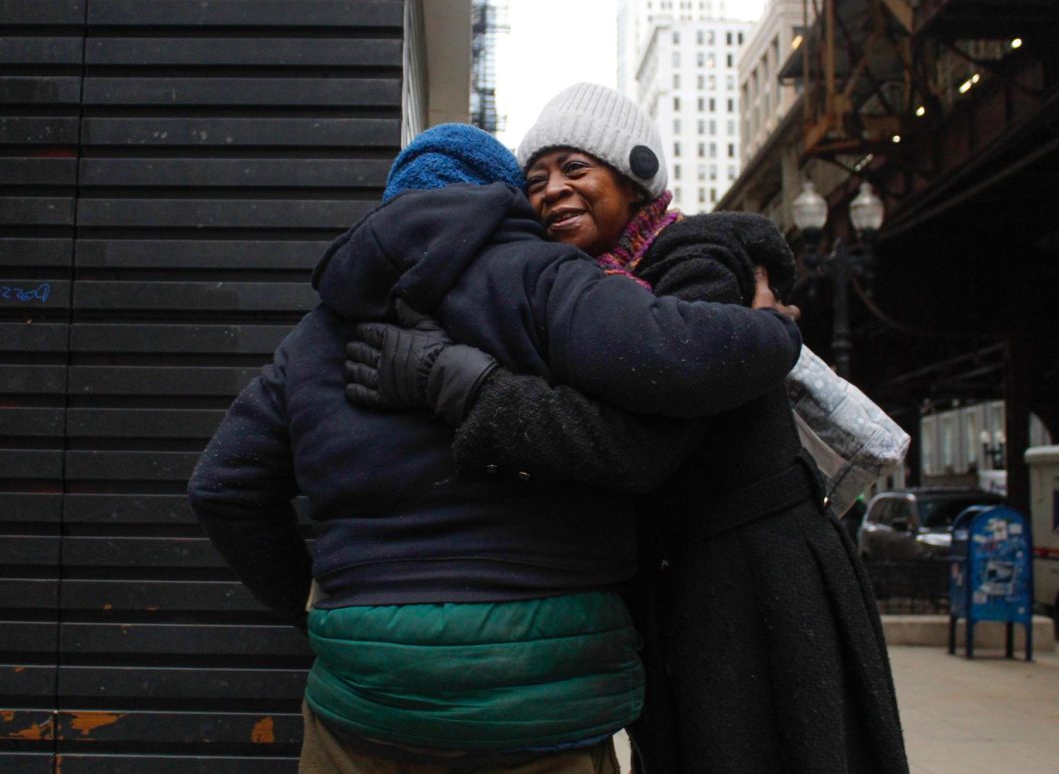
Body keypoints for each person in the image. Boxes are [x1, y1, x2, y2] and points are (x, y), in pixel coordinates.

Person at [187, 122, 803, 772]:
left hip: (368, 685)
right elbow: (672, 356)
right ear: (502, 198)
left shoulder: (315, 337)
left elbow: (222, 487)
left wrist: (320, 606)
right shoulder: (543, 278)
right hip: (539, 694)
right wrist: (773, 331)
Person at [347, 84, 909, 773]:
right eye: (537, 179)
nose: (553, 190)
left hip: (761, 588)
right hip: (689, 591)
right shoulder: (590, 301)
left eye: (576, 168)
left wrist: (458, 382)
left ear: (635, 176)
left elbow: (635, 445)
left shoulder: (699, 259)